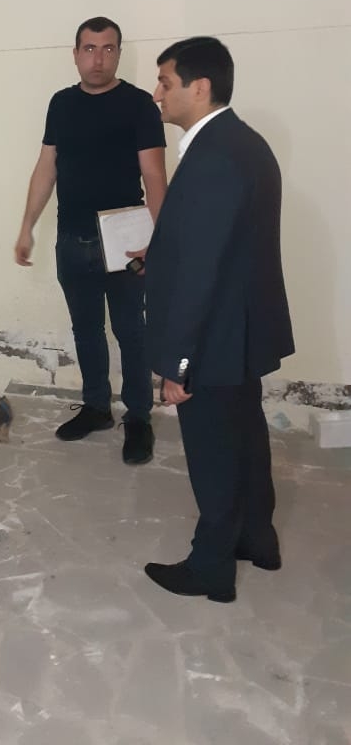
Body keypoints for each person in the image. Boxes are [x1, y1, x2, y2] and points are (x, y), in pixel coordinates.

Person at [142, 36, 294, 602]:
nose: (157, 93)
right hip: (239, 330)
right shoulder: (241, 143)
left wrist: (177, 364)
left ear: (199, 87)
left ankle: (211, 569)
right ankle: (258, 539)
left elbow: (203, 270)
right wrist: (159, 255)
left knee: (213, 455)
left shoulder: (213, 156)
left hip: (212, 339)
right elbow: (216, 245)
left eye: (165, 82)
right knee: (246, 437)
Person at [14, 17, 167, 464]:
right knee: (86, 330)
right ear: (76, 53)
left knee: (131, 332)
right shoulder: (61, 104)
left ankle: (138, 417)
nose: (98, 58)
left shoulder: (139, 105)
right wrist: (27, 226)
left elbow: (155, 176)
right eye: (89, 48)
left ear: (118, 53)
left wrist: (160, 240)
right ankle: (97, 407)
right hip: (72, 238)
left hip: (125, 241)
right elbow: (46, 167)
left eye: (108, 49)